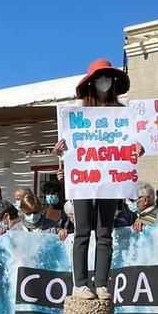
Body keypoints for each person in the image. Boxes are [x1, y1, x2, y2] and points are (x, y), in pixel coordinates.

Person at [56, 58, 133, 300]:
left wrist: (136, 150)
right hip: (83, 181)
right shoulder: (76, 114)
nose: (104, 82)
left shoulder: (123, 113)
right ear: (91, 83)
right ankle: (80, 283)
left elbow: (131, 144)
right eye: (100, 78)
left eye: (108, 77)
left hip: (109, 181)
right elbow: (69, 149)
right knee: (82, 231)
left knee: (104, 232)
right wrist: (60, 152)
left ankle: (101, 283)